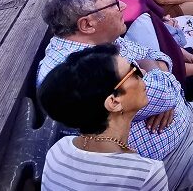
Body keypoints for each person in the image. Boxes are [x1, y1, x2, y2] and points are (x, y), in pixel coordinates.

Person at [37, 0, 193, 191]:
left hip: (179, 120)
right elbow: (166, 90)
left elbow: (159, 58)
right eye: (114, 4)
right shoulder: (75, 72)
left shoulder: (102, 39)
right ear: (87, 23)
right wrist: (161, 88)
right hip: (167, 155)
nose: (123, 7)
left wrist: (159, 88)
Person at [38, 44, 168, 190]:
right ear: (114, 102)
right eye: (133, 71)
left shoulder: (58, 151)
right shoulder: (146, 174)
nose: (142, 73)